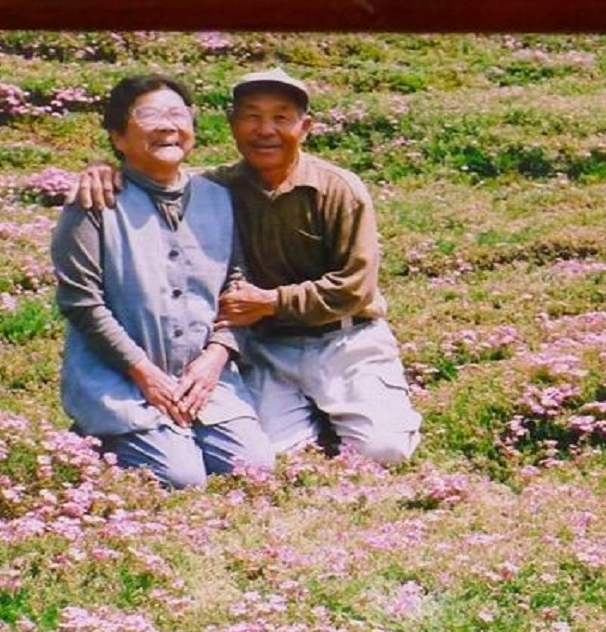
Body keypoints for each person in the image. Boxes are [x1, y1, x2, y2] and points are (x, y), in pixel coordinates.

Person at [77, 67, 422, 465]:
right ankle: (322, 415)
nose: (265, 130)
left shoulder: (339, 188)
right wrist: (106, 168)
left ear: (305, 127)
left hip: (345, 341)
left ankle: (356, 407)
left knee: (385, 452)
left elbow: (354, 287)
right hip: (267, 346)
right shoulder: (214, 189)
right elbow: (158, 175)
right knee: (267, 458)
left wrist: (272, 301)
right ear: (232, 124)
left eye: (281, 117)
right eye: (252, 116)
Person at [51, 74, 273, 488]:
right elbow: (82, 303)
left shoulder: (218, 195)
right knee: (183, 477)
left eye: (178, 114)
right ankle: (97, 434)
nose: (168, 125)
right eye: (149, 115)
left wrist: (217, 356)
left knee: (255, 468)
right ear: (118, 136)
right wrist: (145, 374)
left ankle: (181, 427)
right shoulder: (92, 203)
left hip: (203, 378)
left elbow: (236, 286)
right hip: (121, 379)